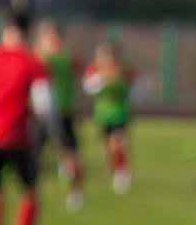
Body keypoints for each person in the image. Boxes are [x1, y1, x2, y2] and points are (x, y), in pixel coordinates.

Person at [0, 12, 62, 225]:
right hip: (18, 135)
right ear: (27, 32)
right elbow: (44, 105)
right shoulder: (33, 62)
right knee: (29, 191)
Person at [33, 20, 86, 211]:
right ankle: (32, 193)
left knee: (70, 155)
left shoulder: (59, 57)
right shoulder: (41, 56)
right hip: (41, 114)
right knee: (36, 155)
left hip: (61, 111)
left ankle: (75, 192)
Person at [83, 41, 140, 195]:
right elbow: (88, 87)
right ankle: (115, 173)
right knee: (106, 148)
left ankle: (123, 172)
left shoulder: (123, 70)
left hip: (120, 112)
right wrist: (103, 79)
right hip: (102, 114)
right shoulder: (95, 69)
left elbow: (137, 88)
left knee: (118, 142)